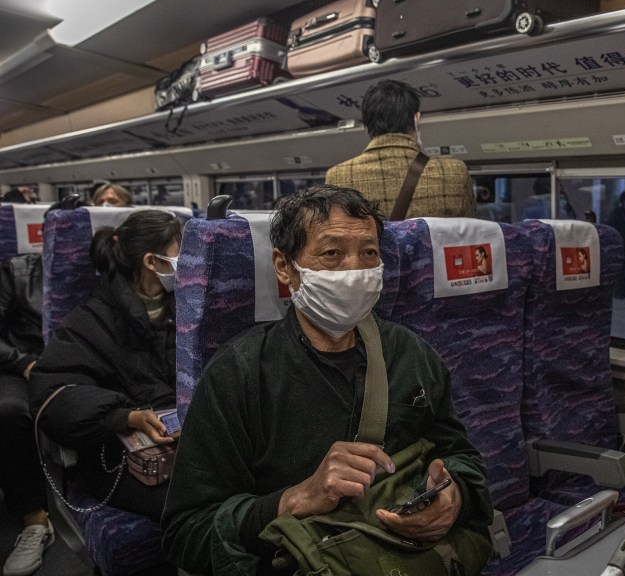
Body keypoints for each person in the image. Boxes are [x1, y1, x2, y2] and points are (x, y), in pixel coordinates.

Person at [161, 186, 493, 575]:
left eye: (369, 253)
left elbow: (461, 456)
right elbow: (185, 533)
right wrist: (295, 499)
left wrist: (456, 497)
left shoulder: (410, 354)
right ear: (285, 268)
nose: (355, 269)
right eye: (332, 253)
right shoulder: (239, 373)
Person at [30, 210, 182, 520]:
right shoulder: (90, 321)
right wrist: (125, 416)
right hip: (120, 456)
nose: (190, 264)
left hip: (186, 441)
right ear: (152, 262)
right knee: (199, 502)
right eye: (182, 253)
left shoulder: (190, 307)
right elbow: (52, 395)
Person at [325, 80, 476, 218]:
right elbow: (471, 237)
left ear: (366, 125)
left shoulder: (337, 177)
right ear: (417, 120)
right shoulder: (455, 172)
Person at [0, 241, 51, 576]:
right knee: (8, 411)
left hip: (78, 358)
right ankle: (35, 519)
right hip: (24, 362)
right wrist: (24, 363)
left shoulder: (107, 262)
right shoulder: (16, 270)